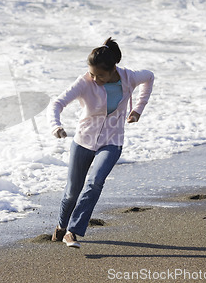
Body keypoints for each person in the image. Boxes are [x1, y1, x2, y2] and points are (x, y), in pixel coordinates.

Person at [47, 37, 154, 248]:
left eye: (101, 75)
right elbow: (56, 103)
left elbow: (149, 77)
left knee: (95, 182)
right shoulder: (84, 82)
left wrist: (138, 109)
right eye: (92, 73)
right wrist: (55, 126)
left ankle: (73, 231)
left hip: (112, 142)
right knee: (71, 193)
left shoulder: (128, 77)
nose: (95, 79)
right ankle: (61, 226)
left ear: (114, 68)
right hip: (83, 141)